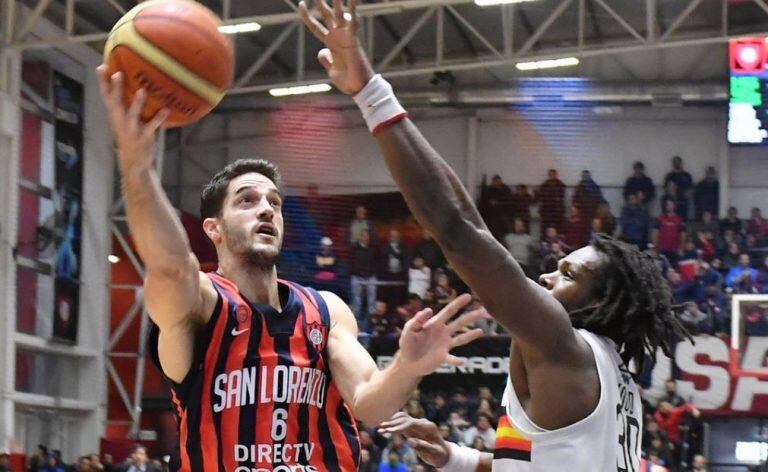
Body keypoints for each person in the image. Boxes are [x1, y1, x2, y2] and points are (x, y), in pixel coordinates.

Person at [299, 4, 690, 471]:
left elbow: (458, 229)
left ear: (598, 303)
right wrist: (455, 457)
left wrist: (369, 92)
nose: (547, 275)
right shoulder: (607, 372)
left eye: (569, 274)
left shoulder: (562, 344)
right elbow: (535, 463)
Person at [96, 64, 485, 472]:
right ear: (213, 228)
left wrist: (408, 365)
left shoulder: (327, 310)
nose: (266, 208)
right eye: (246, 200)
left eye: (274, 202)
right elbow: (171, 267)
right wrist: (138, 170)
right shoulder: (201, 303)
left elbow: (370, 401)